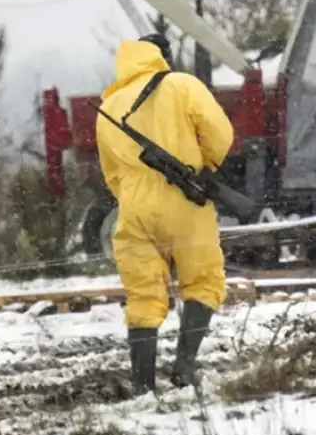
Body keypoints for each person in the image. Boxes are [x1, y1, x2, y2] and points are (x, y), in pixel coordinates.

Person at [95, 34, 235, 395]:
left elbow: (110, 173)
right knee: (203, 281)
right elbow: (220, 134)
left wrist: (134, 195)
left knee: (143, 295)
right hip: (185, 200)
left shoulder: (109, 105)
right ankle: (184, 367)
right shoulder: (182, 84)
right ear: (162, 56)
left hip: (134, 208)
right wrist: (206, 166)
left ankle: (143, 385)